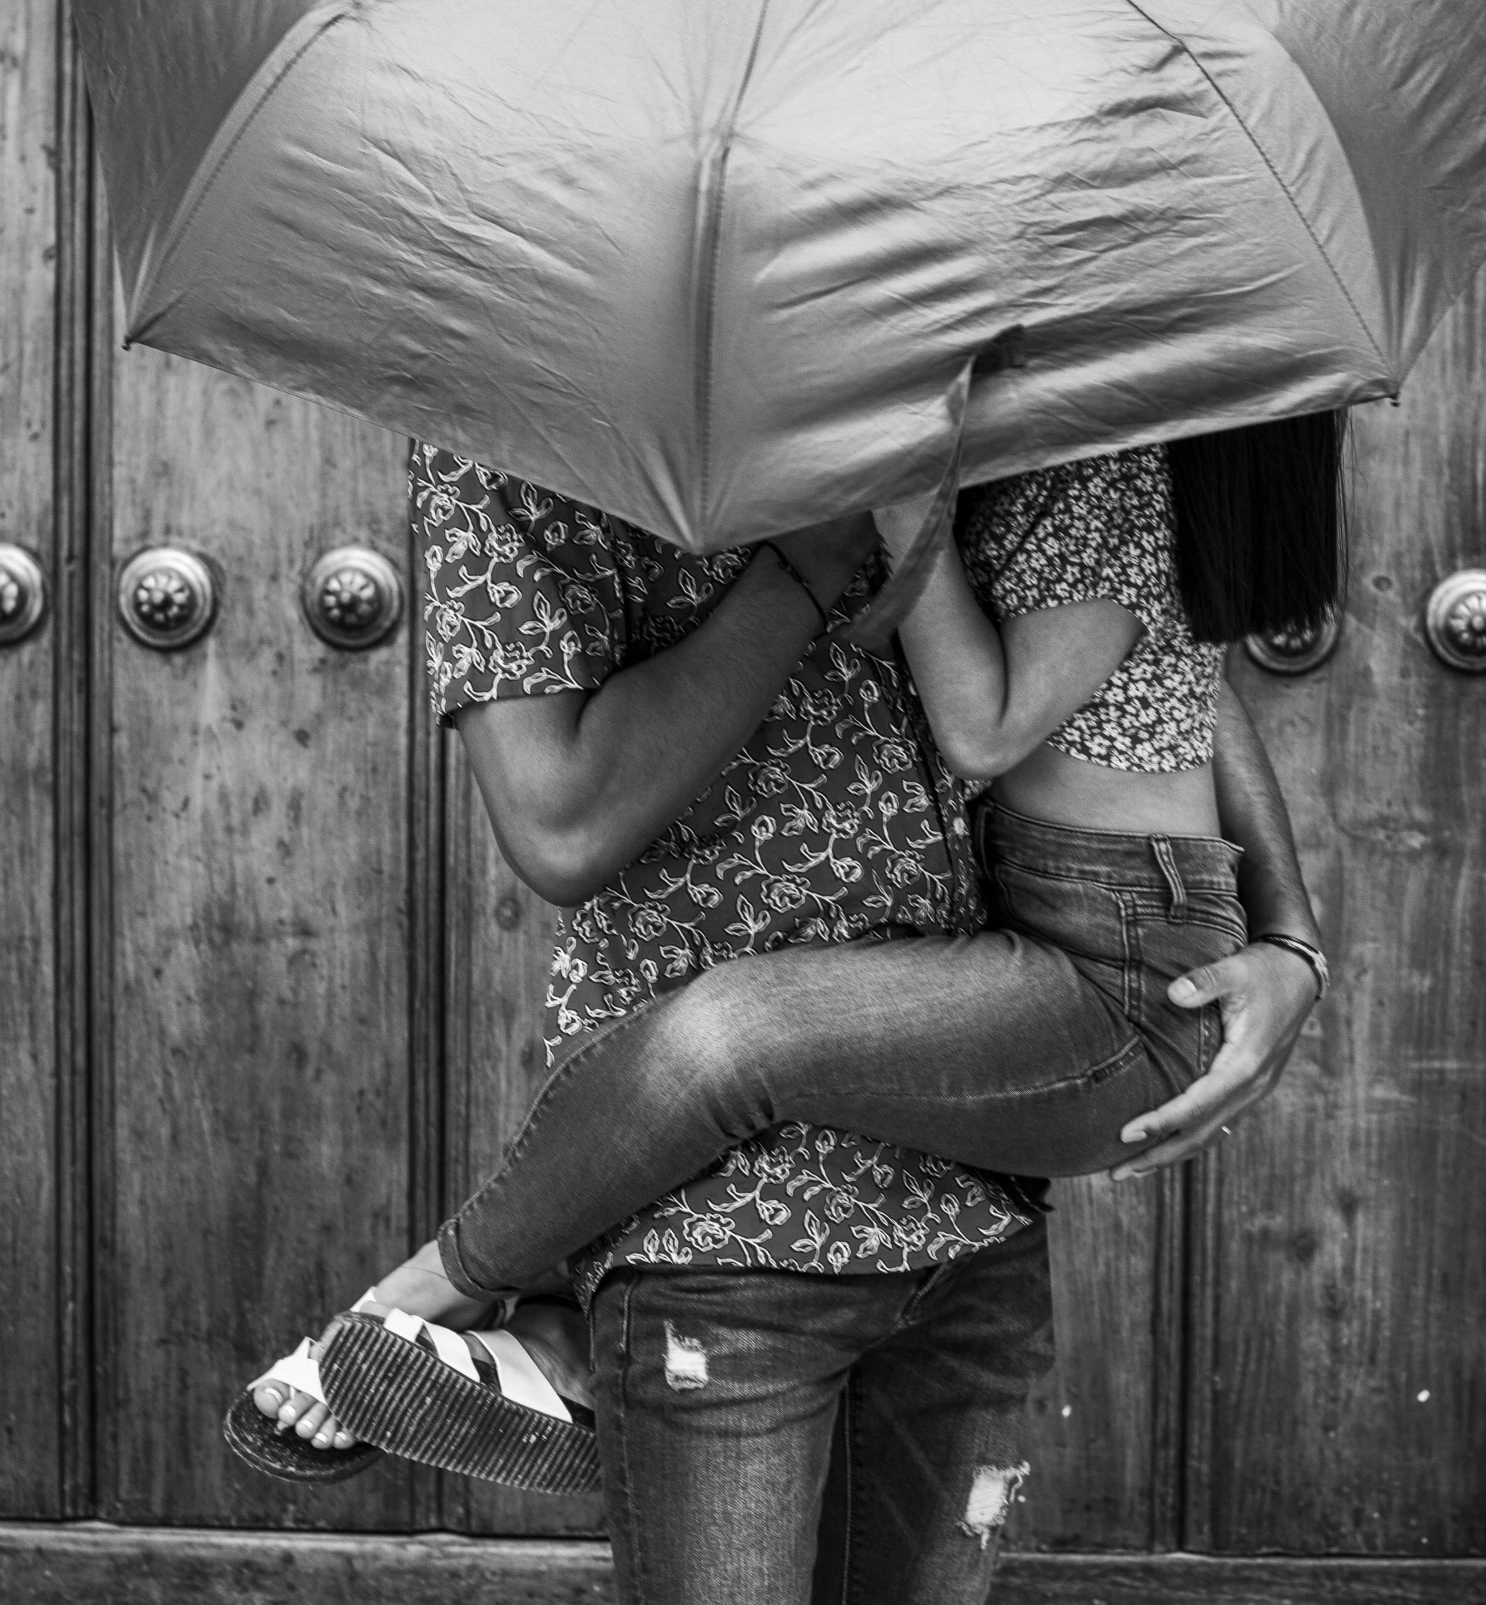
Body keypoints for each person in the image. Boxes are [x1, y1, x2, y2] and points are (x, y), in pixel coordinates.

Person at [235, 429, 1324, 1605]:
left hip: (966, 1210)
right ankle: (467, 1308)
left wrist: (1284, 926)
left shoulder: (939, 345)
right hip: (726, 1230)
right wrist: (814, 548)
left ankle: (524, 1324)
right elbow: (558, 827)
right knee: (730, 1036)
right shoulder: (509, 422)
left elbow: (1129, 632)